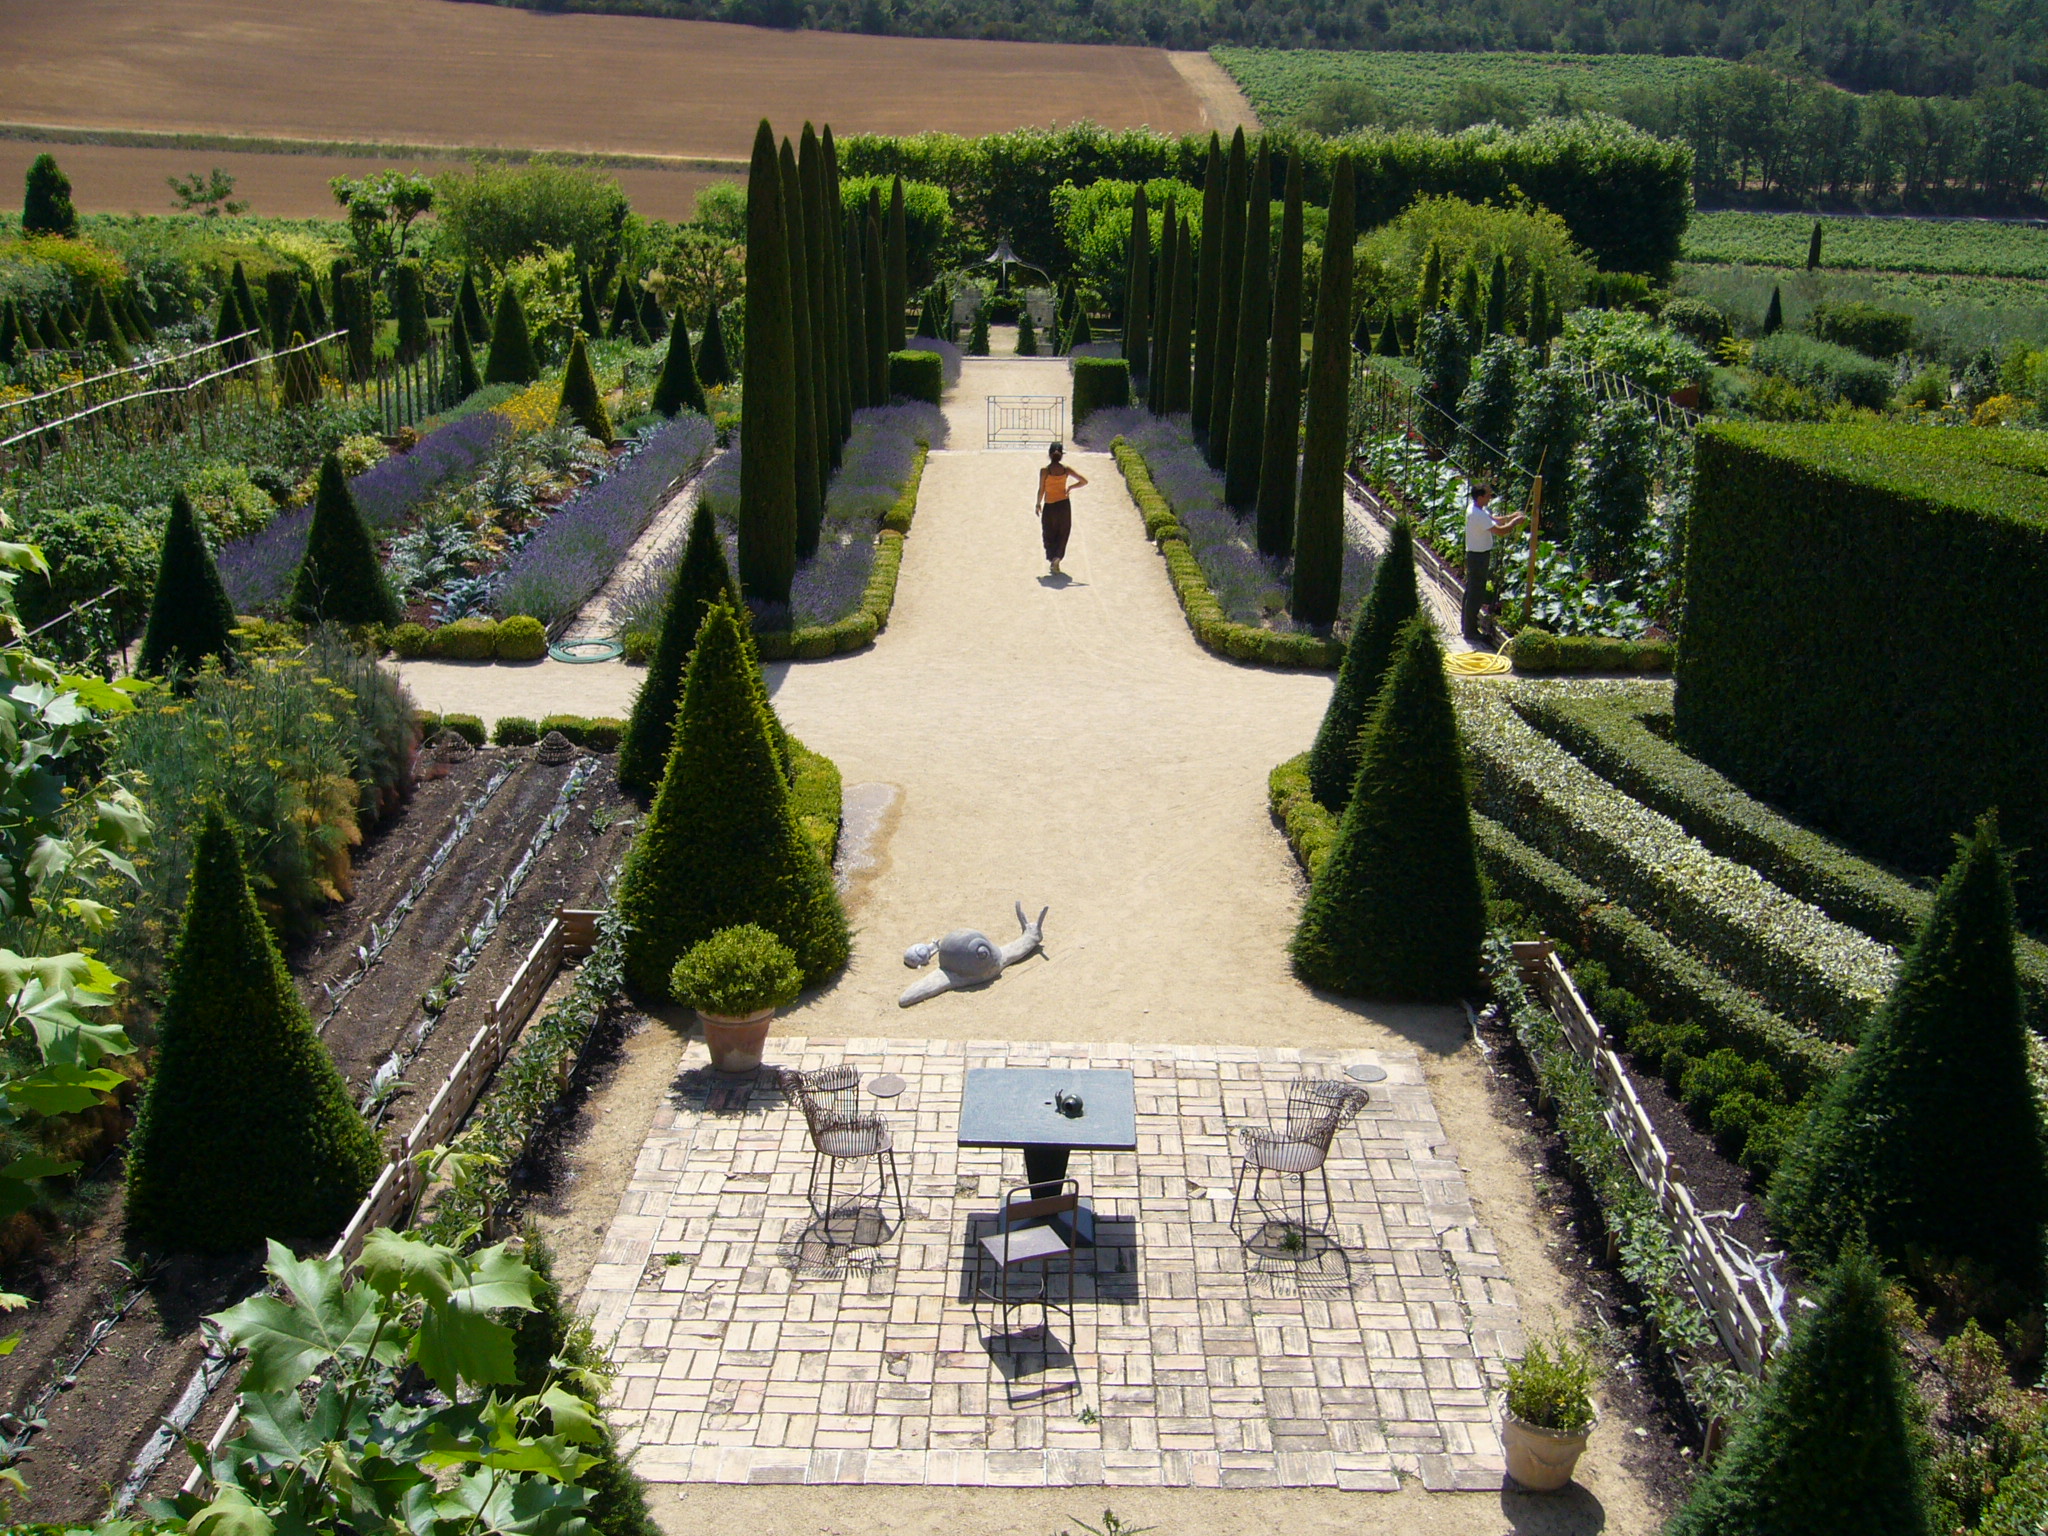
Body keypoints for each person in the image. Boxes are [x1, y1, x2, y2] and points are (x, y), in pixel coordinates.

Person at [1463, 483, 1525, 641]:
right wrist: (1515, 523)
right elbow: (1501, 531)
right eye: (1488, 495)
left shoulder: (1477, 509)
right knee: (1476, 594)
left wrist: (1511, 516)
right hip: (1478, 557)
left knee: (1471, 591)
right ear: (1480, 497)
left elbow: (1494, 520)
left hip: (1475, 555)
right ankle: (1471, 632)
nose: (1490, 497)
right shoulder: (1478, 515)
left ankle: (1467, 626)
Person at [1034, 442, 1088, 577]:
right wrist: (1071, 487)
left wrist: (1038, 503)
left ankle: (1052, 557)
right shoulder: (1066, 470)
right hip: (1064, 505)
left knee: (1048, 532)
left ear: (1049, 454)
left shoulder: (1045, 470)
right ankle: (1057, 558)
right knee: (1063, 532)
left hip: (1050, 505)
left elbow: (1041, 489)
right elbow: (1084, 481)